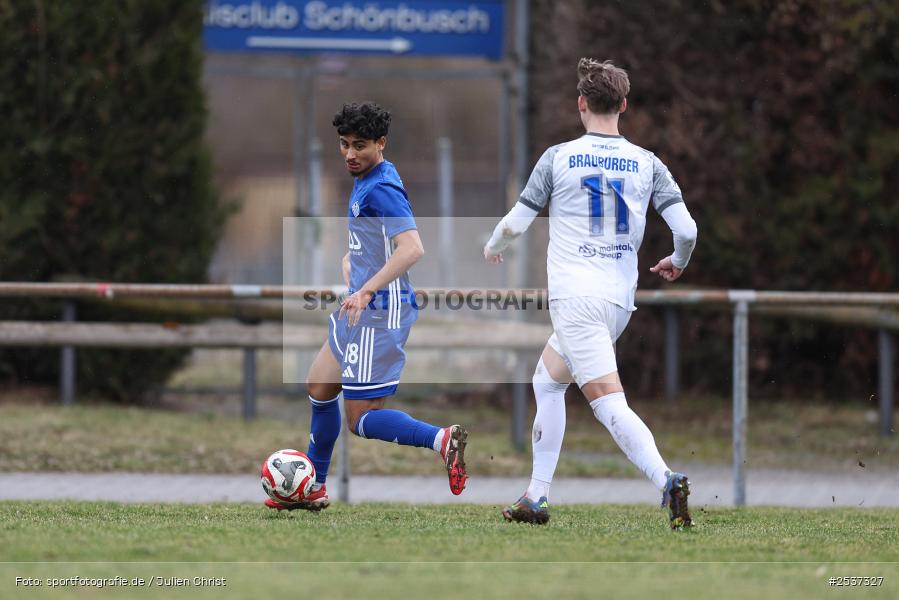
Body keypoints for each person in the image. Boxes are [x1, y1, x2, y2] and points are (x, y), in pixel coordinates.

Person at [484, 59, 698, 528]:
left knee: (607, 402)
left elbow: (514, 223)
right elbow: (686, 229)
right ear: (623, 105)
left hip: (576, 299)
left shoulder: (559, 156)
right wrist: (677, 261)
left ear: (581, 103)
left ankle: (667, 479)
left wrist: (493, 246)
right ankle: (535, 497)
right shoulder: (648, 163)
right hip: (617, 301)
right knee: (547, 381)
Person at [266, 102, 468, 511]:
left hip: (379, 311)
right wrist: (354, 262)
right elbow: (375, 241)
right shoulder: (367, 178)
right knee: (320, 386)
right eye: (343, 144)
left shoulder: (382, 187)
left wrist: (366, 289)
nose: (350, 154)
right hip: (359, 306)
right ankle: (314, 488)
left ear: (381, 143)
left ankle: (441, 439)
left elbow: (412, 248)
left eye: (360, 145)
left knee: (360, 418)